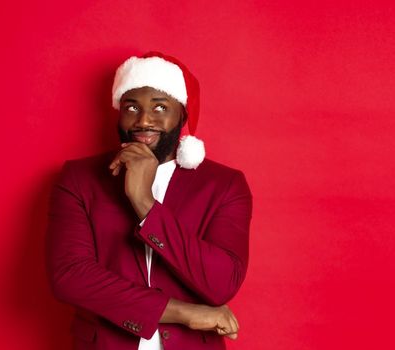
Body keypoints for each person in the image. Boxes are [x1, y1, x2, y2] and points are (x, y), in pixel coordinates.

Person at [45, 52, 253, 349]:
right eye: (132, 107)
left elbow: (221, 283)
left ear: (182, 113)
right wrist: (182, 313)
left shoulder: (223, 185)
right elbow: (71, 277)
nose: (143, 120)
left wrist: (144, 203)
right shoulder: (79, 178)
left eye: (160, 107)